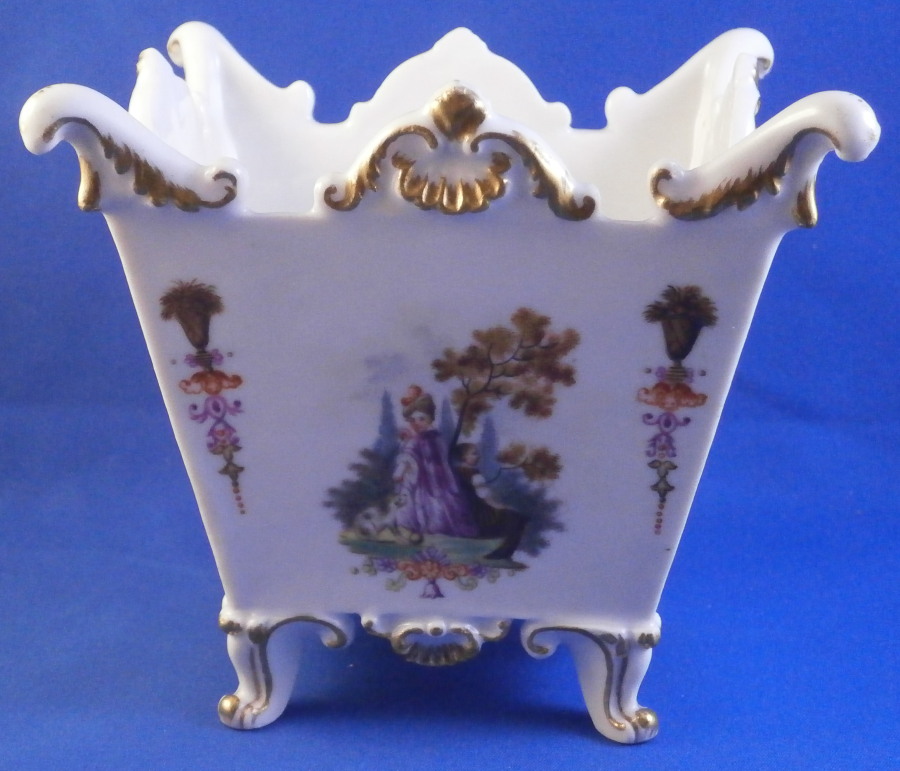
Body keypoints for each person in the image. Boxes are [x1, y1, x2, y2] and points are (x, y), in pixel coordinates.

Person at [393, 386, 477, 538]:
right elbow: (408, 456)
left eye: (422, 419)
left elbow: (442, 458)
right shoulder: (415, 440)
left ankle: (440, 529)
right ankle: (416, 529)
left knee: (440, 503)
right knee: (417, 501)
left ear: (430, 419)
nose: (417, 423)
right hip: (421, 479)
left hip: (439, 479)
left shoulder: (436, 438)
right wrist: (400, 471)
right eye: (413, 420)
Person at [453, 443, 527, 561]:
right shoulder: (474, 475)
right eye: (474, 454)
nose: (478, 456)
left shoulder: (454, 473)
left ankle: (500, 553)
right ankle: (502, 554)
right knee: (516, 518)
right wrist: (503, 507)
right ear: (463, 457)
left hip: (463, 511)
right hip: (478, 515)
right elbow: (486, 498)